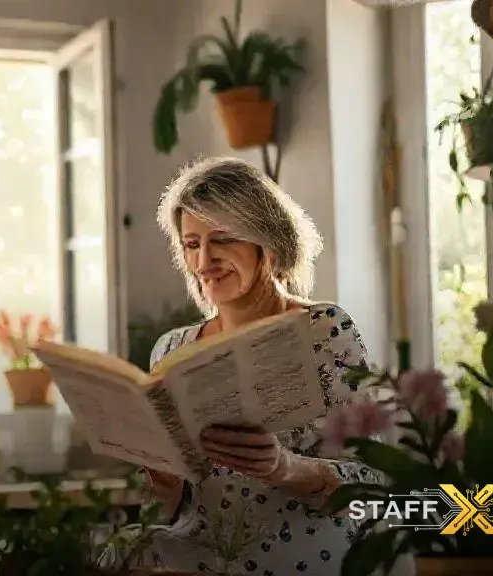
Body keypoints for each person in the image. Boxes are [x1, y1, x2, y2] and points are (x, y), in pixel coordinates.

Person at [134, 157, 379, 575]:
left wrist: (284, 467)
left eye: (223, 238)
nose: (204, 260)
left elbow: (373, 489)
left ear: (267, 238)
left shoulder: (324, 330)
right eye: (192, 244)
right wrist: (164, 478)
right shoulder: (171, 350)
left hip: (298, 553)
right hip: (192, 551)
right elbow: (168, 507)